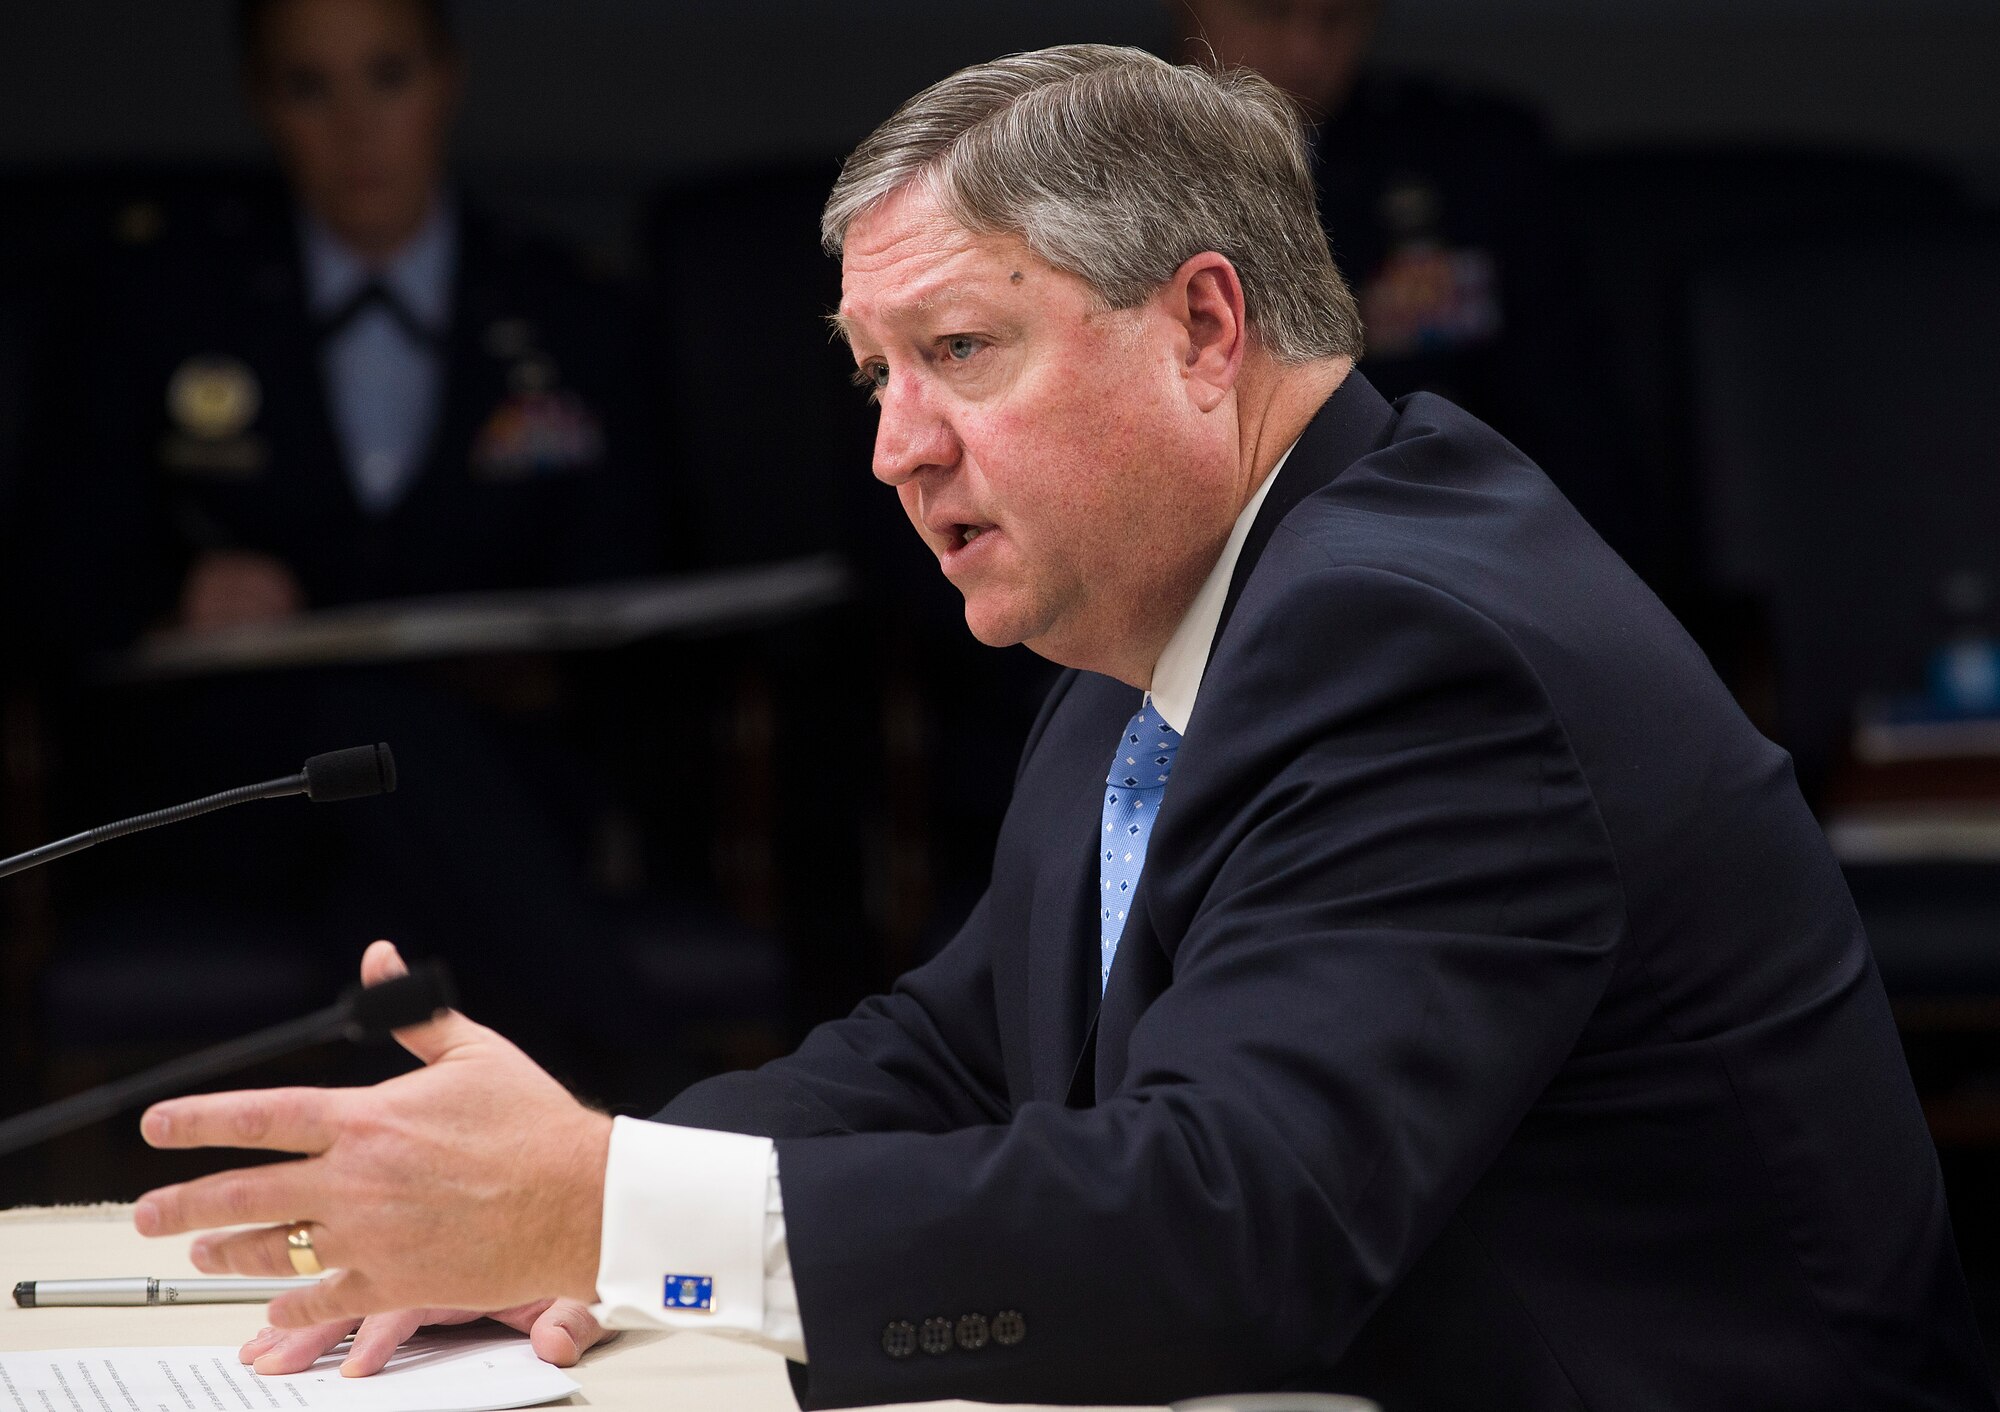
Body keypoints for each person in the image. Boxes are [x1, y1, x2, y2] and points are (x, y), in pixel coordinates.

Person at [127, 45, 1992, 1410]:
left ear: (1202, 327)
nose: (892, 446)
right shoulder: (1184, 618)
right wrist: (554, 1199)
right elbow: (953, 1058)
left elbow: (1227, 1221)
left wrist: (608, 1210)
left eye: (961, 351)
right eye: (875, 376)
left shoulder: (1414, 640)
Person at [15, 0, 662, 1076]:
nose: (355, 125)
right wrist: (177, 593)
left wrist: (538, 661)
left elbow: (638, 568)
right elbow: (50, 571)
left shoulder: (568, 306)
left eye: (387, 77)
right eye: (309, 87)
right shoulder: (160, 297)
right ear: (260, 102)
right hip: (234, 785)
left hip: (502, 764)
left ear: (447, 79)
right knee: (374, 749)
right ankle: (660, 1089)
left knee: (384, 842)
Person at [1171, 0, 1647, 577]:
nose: (1305, 52)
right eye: (1269, 14)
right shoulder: (1099, 170)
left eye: (1338, 20)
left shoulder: (1470, 159)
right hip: (1200, 559)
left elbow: (1571, 423)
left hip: (1440, 544)